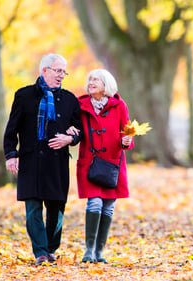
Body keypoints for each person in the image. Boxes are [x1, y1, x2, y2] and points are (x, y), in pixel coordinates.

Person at [3, 53, 83, 265]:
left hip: (57, 163)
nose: (62, 76)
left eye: (64, 72)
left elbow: (79, 130)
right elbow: (11, 130)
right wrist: (11, 154)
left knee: (56, 210)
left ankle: (49, 248)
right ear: (44, 70)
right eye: (58, 71)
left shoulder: (70, 99)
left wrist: (70, 138)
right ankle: (40, 252)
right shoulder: (24, 95)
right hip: (31, 161)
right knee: (33, 210)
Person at [67, 69, 133, 263]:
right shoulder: (80, 105)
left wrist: (127, 141)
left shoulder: (119, 105)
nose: (91, 82)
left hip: (113, 163)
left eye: (96, 79)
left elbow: (126, 131)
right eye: (90, 79)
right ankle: (88, 249)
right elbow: (73, 126)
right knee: (94, 202)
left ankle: (99, 252)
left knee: (108, 207)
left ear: (107, 84)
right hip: (90, 162)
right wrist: (70, 129)